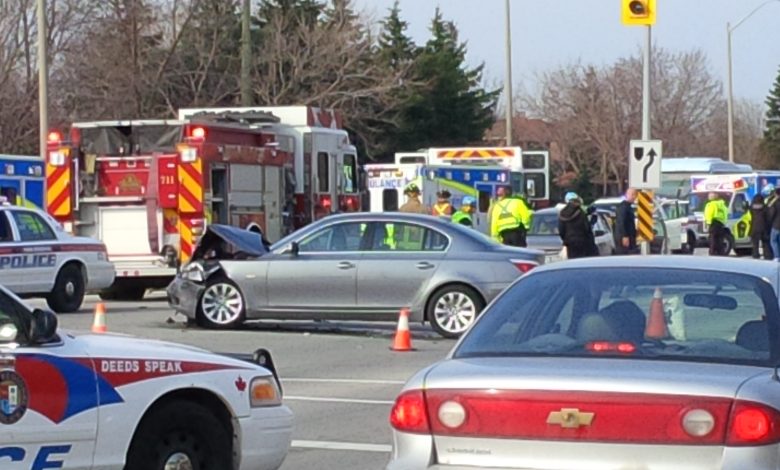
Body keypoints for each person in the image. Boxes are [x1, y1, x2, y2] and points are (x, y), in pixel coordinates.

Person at [558, 192, 599, 259]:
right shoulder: (581, 212)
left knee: (572, 262)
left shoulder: (562, 213)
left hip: (570, 244)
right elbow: (586, 228)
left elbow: (561, 230)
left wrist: (566, 240)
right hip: (583, 242)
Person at [614, 188, 638, 254]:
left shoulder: (629, 207)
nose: (634, 197)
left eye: (635, 195)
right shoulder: (623, 207)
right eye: (632, 195)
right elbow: (621, 222)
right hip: (624, 238)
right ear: (627, 195)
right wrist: (624, 236)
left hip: (629, 237)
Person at [704, 192, 728, 256]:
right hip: (721, 223)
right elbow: (725, 213)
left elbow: (709, 214)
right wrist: (724, 222)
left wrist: (708, 223)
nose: (708, 197)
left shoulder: (710, 204)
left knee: (713, 239)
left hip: (713, 223)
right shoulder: (722, 204)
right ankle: (721, 252)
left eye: (709, 196)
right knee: (720, 239)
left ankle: (712, 252)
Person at [750, 193, 771, 259]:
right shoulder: (765, 208)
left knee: (755, 243)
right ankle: (767, 255)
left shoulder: (751, 208)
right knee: (765, 242)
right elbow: (768, 218)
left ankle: (755, 255)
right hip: (764, 227)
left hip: (754, 227)